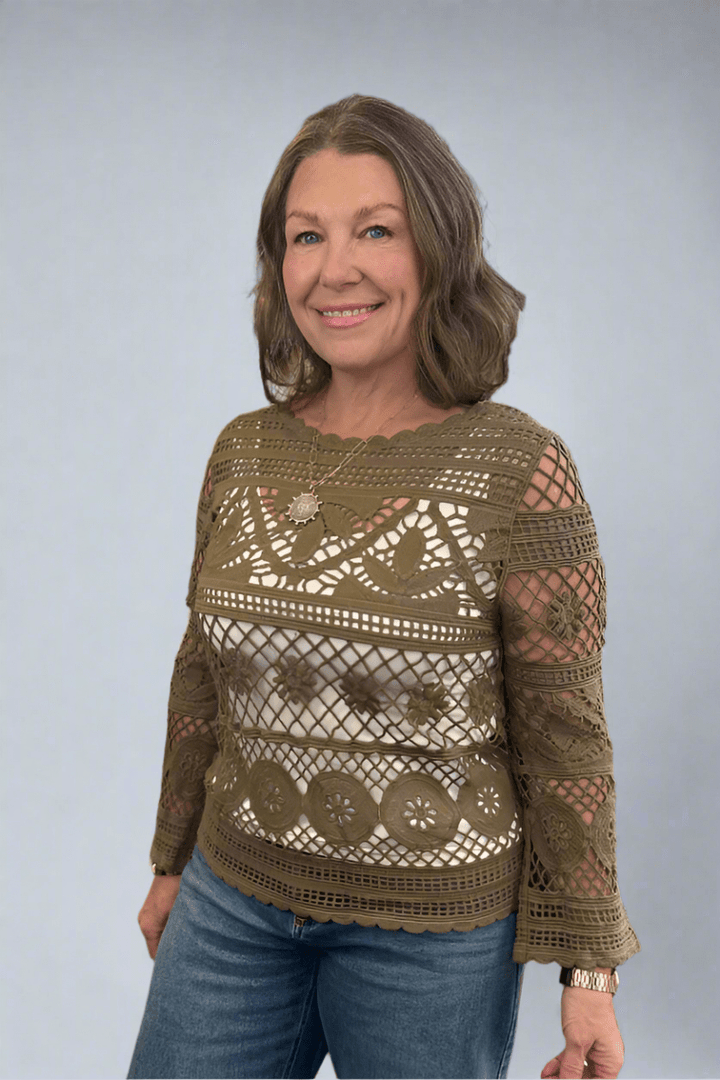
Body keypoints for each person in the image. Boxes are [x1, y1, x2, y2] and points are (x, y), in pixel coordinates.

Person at [127, 94, 640, 1080]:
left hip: (431, 943)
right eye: (305, 235)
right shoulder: (243, 452)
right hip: (231, 907)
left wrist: (589, 971)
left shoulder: (520, 469)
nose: (335, 268)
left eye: (376, 230)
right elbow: (202, 677)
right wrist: (171, 861)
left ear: (439, 249)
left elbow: (565, 739)